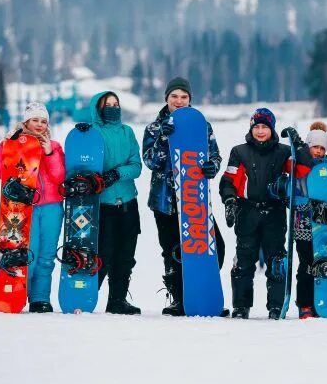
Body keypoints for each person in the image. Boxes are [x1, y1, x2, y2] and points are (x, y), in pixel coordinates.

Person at [142, 77, 226, 315]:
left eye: (184, 97)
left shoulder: (202, 126)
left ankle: (202, 292)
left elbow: (214, 155)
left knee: (213, 246)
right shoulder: (154, 128)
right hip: (165, 200)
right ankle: (179, 299)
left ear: (190, 100)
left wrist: (212, 166)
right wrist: (163, 138)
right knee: (173, 251)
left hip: (194, 198)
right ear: (166, 99)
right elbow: (151, 161)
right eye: (174, 97)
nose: (179, 101)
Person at [219, 108, 312, 319]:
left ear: (272, 129)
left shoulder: (283, 152)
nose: (260, 131)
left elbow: (304, 170)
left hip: (275, 212)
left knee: (277, 261)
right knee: (243, 261)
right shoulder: (239, 151)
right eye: (256, 127)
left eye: (264, 127)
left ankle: (276, 306)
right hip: (248, 211)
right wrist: (230, 200)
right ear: (251, 128)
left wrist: (299, 146)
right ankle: (241, 306)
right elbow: (229, 180)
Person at [0, 102, 65, 313]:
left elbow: (59, 176)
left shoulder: (55, 146)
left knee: (47, 256)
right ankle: (17, 292)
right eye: (35, 120)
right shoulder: (11, 143)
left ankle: (40, 298)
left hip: (52, 206)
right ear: (26, 121)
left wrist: (49, 152)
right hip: (24, 208)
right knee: (27, 254)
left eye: (44, 121)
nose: (40, 125)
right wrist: (8, 147)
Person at [89, 91, 143, 315]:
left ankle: (117, 300)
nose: (112, 107)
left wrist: (116, 174)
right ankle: (86, 297)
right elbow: (86, 164)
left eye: (115, 104)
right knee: (102, 254)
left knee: (125, 256)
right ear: (98, 108)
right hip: (103, 205)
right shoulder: (91, 133)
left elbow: (136, 166)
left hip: (128, 203)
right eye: (107, 104)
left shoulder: (127, 132)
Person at [292, 122, 327, 319]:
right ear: (308, 147)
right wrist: (310, 204)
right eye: (314, 147)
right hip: (305, 226)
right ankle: (306, 303)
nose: (318, 151)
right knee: (307, 264)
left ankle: (326, 302)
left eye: (321, 147)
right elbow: (293, 197)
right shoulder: (299, 170)